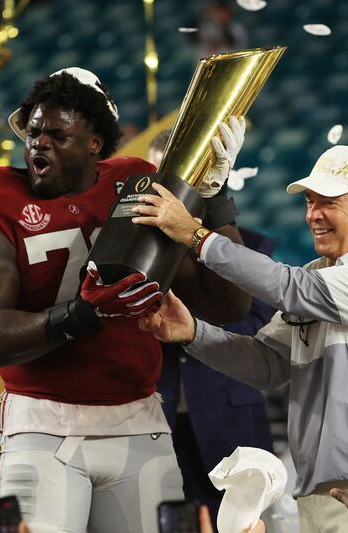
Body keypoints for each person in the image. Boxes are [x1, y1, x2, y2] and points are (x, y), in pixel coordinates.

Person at [0, 67, 250, 533]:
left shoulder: (134, 184)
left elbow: (226, 305)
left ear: (94, 142)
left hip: (137, 416)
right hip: (41, 421)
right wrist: (81, 315)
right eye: (32, 132)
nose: (37, 144)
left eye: (56, 134)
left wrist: (218, 199)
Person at [132, 144, 348, 532]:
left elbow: (287, 285)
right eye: (310, 201)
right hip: (318, 488)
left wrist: (195, 235)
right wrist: (192, 333)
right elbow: (265, 364)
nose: (314, 215)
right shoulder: (319, 274)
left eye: (330, 202)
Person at [148, 129, 276, 530]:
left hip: (227, 414)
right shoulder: (139, 251)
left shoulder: (251, 246)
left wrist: (196, 321)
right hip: (160, 413)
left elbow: (258, 325)